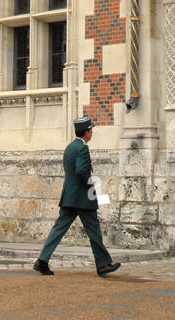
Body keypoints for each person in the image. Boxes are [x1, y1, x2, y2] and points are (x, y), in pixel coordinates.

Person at [34, 116, 121, 277]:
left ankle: (42, 260)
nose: (92, 133)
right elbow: (81, 171)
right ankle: (103, 264)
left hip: (69, 196)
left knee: (58, 229)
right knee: (94, 230)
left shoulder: (69, 147)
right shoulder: (82, 148)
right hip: (82, 197)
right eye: (91, 130)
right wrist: (91, 186)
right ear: (86, 132)